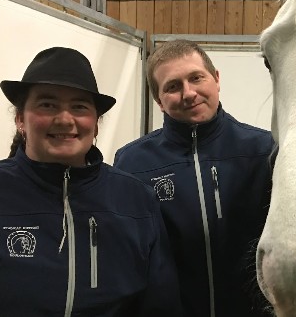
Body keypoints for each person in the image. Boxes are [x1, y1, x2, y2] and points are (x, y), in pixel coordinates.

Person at [0, 47, 183, 316]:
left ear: (95, 124)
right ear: (20, 119)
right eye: (47, 105)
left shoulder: (137, 201)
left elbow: (161, 306)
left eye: (79, 106)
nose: (64, 119)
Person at [114, 39, 275, 317]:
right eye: (173, 86)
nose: (188, 93)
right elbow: (127, 256)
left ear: (216, 79)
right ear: (159, 101)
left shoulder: (264, 150)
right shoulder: (132, 163)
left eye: (196, 78)